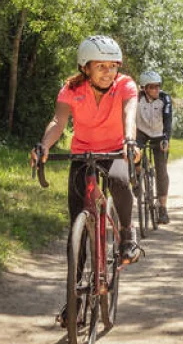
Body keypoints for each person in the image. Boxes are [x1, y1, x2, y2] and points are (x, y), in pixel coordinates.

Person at [31, 35, 142, 327]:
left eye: (112, 65)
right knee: (75, 231)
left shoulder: (126, 85)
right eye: (100, 66)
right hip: (83, 154)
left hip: (116, 149)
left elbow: (130, 114)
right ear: (85, 68)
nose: (108, 71)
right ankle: (75, 298)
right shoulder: (72, 89)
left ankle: (128, 234)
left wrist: (130, 141)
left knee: (119, 180)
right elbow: (58, 122)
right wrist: (44, 146)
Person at [136, 71, 173, 224]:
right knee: (133, 154)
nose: (156, 90)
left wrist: (166, 139)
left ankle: (163, 208)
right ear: (144, 89)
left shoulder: (165, 99)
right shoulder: (136, 99)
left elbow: (168, 121)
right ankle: (137, 179)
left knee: (161, 170)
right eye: (152, 87)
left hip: (159, 134)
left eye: (158, 86)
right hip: (141, 133)